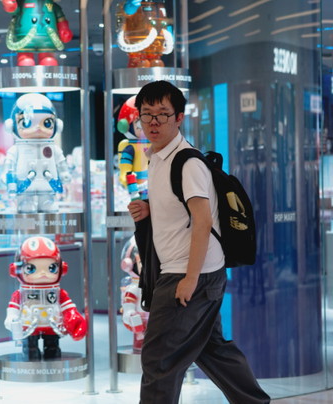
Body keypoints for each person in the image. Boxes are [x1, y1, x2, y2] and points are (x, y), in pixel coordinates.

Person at [127, 80, 270, 404]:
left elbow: (203, 221)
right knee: (211, 349)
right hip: (199, 274)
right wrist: (150, 209)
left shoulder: (187, 162)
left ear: (179, 118)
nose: (153, 122)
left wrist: (190, 280)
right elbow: (182, 211)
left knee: (159, 360)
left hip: (188, 274)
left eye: (162, 114)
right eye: (146, 114)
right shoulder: (158, 157)